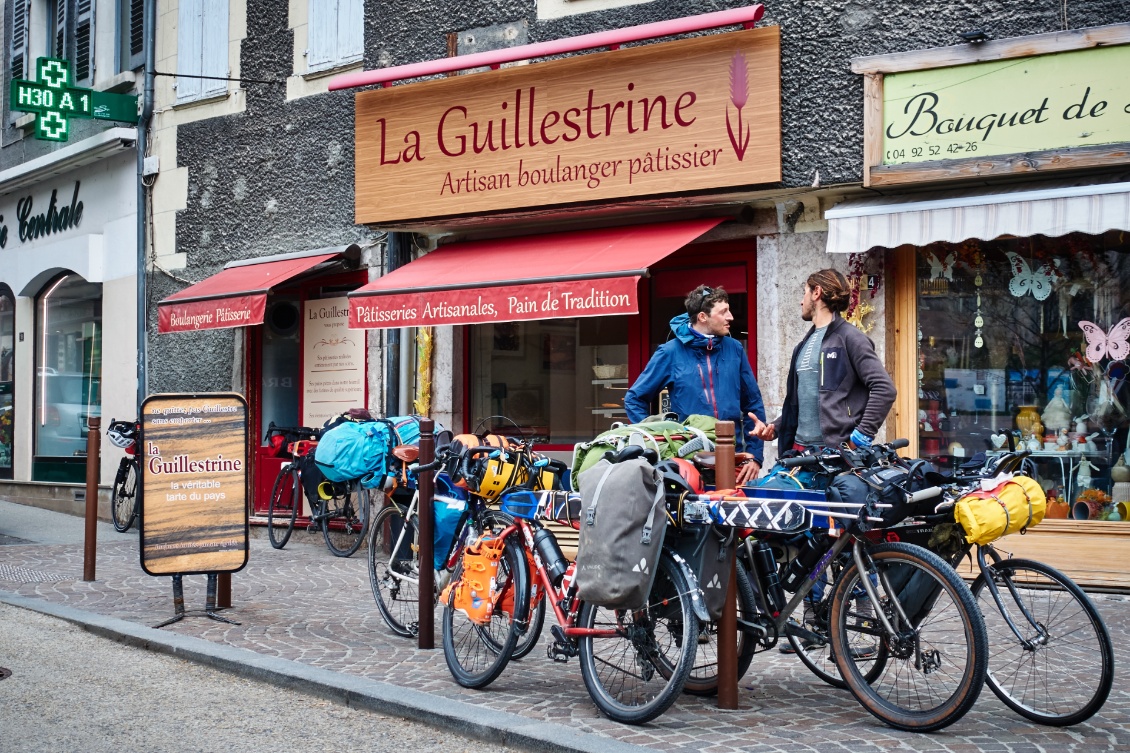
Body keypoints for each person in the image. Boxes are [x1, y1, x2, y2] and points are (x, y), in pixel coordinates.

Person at [624, 285, 766, 484]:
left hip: (734, 461)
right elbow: (634, 399)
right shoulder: (670, 352)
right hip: (687, 462)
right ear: (702, 317)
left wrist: (755, 456)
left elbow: (753, 404)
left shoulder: (735, 349)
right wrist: (658, 443)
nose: (731, 317)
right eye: (723, 312)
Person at [749, 268, 896, 454]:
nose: (801, 301)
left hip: (835, 455)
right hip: (798, 451)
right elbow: (803, 401)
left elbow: (885, 388)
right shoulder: (802, 345)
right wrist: (775, 428)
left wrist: (861, 437)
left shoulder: (851, 338)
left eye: (805, 292)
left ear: (817, 292)